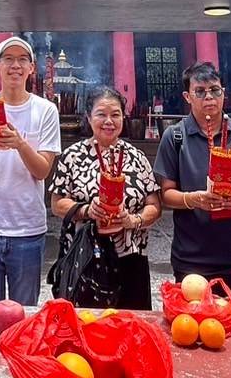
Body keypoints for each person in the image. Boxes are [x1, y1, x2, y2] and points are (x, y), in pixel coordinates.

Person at [154, 62, 231, 315]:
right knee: (196, 329)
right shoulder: (176, 137)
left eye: (214, 90)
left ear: (224, 93)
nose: (208, 97)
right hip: (195, 259)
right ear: (187, 96)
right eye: (200, 91)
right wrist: (194, 199)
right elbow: (166, 194)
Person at [0, 37, 62, 306]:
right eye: (8, 59)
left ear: (32, 68)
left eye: (22, 60)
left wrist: (19, 144)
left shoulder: (46, 111)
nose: (15, 66)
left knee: (24, 315)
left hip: (27, 230)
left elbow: (42, 170)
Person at [49, 86, 161, 310]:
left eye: (115, 114)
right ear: (88, 118)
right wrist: (87, 210)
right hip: (85, 257)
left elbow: (154, 205)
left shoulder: (137, 157)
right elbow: (57, 203)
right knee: (86, 327)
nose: (109, 121)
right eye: (101, 114)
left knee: (130, 328)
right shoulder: (72, 156)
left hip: (130, 258)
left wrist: (133, 220)